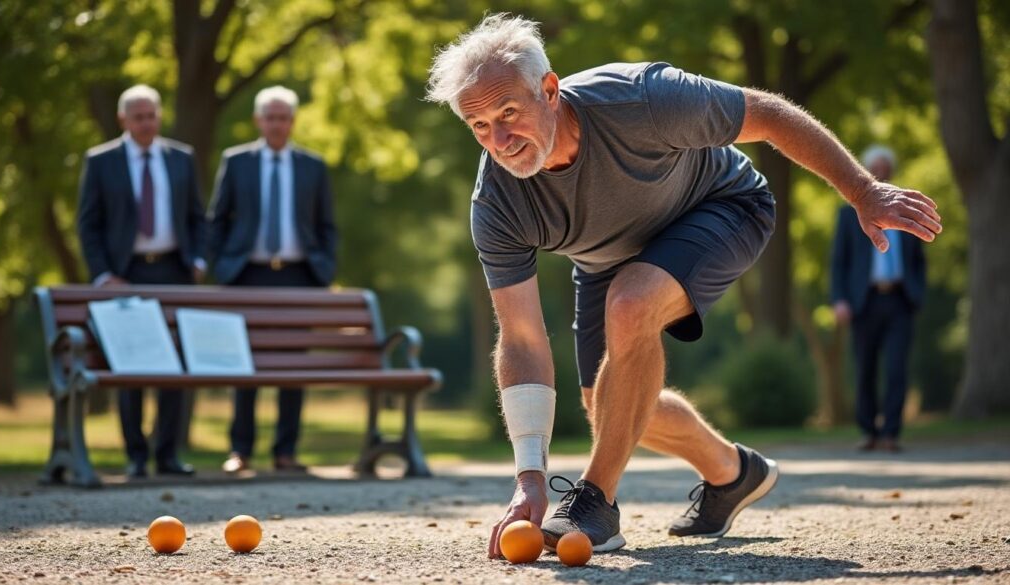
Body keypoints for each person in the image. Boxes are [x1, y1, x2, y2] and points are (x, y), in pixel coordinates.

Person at [425, 14, 942, 557]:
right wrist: (529, 474)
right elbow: (523, 339)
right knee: (605, 403)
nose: (500, 140)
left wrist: (863, 191)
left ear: (549, 90)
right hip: (611, 258)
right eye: (480, 126)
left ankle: (595, 501)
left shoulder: (643, 99)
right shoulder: (497, 204)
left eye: (508, 112)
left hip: (724, 207)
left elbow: (768, 114)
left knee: (632, 305)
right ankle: (733, 472)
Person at [77, 84, 207, 478]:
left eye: (151, 116)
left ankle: (167, 455)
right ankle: (136, 456)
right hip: (124, 274)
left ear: (159, 116)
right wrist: (103, 275)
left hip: (173, 271)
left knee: (175, 367)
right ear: (123, 119)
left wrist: (198, 259)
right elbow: (88, 223)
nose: (146, 123)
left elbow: (198, 218)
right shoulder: (101, 162)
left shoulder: (181, 158)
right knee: (130, 366)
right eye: (138, 117)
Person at [208, 85, 337, 473]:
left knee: (293, 367)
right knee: (243, 364)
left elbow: (326, 224)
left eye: (283, 117)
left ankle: (286, 452)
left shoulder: (312, 166)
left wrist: (325, 268)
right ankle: (240, 451)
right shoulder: (237, 162)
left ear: (292, 121)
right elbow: (217, 220)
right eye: (270, 117)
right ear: (258, 120)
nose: (277, 124)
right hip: (247, 276)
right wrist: (221, 266)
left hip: (299, 276)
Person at [831, 146, 926, 453]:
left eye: (886, 167)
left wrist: (917, 294)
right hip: (864, 302)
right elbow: (838, 261)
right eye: (876, 167)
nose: (881, 172)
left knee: (897, 368)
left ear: (892, 171)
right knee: (865, 369)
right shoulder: (848, 215)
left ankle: (891, 434)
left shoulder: (906, 211)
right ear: (867, 171)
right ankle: (868, 431)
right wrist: (840, 299)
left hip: (900, 301)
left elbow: (920, 259)